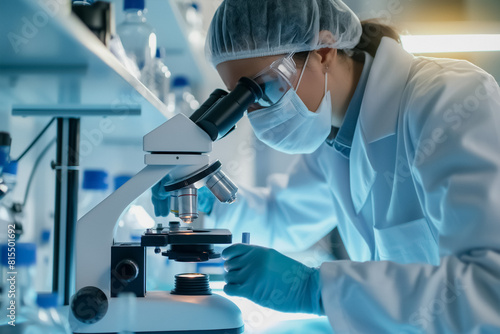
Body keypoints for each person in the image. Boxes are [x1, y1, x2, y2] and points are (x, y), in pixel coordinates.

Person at [152, 0, 500, 332]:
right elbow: (283, 216)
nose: (255, 114)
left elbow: (489, 290)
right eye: (241, 99)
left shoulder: (448, 101)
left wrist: (317, 290)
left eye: (263, 88)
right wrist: (209, 207)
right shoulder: (332, 139)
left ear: (323, 52)